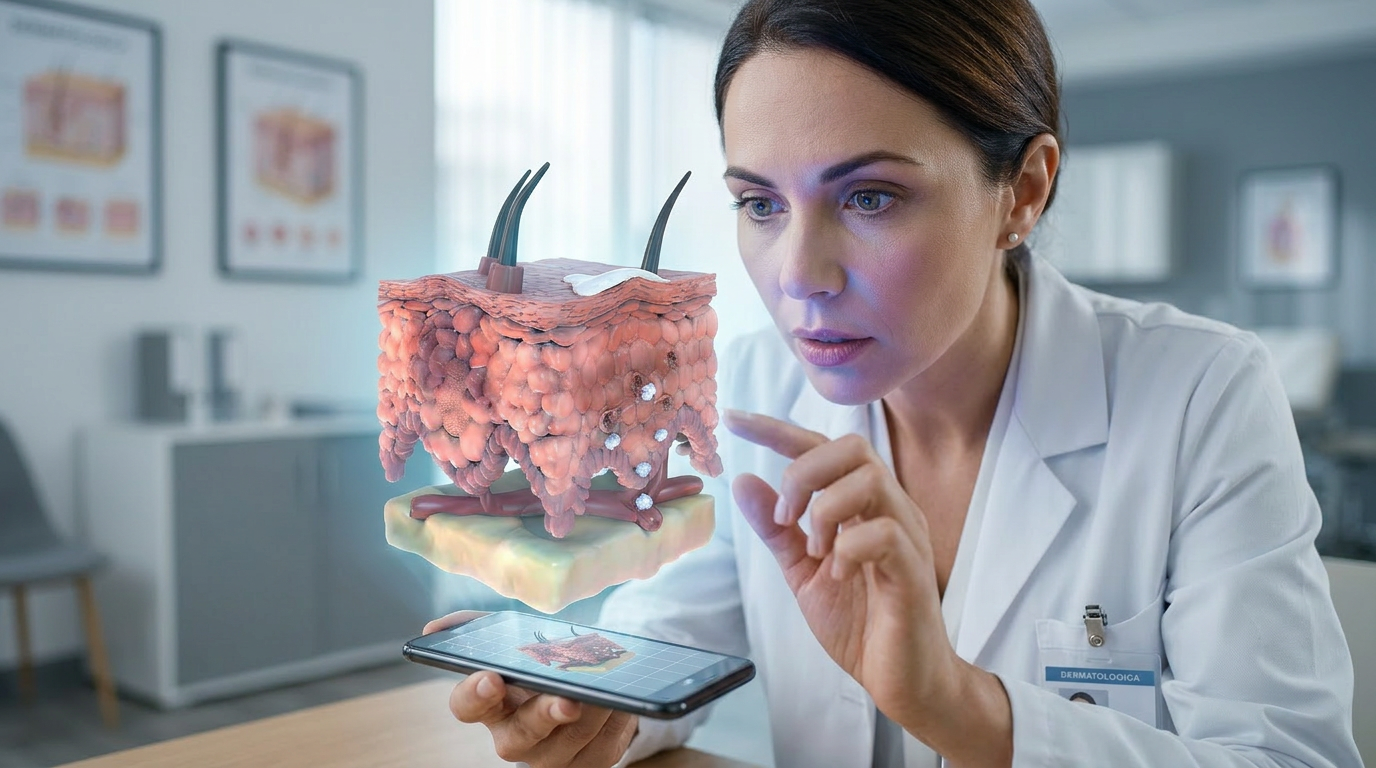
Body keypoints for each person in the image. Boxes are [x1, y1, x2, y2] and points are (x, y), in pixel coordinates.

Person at [424, 1, 1363, 766]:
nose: (799, 274)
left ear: (1023, 191)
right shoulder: (753, 381)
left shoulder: (1203, 394)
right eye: (759, 204)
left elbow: (1282, 756)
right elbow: (677, 639)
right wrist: (591, 706)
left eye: (868, 197)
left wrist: (953, 706)